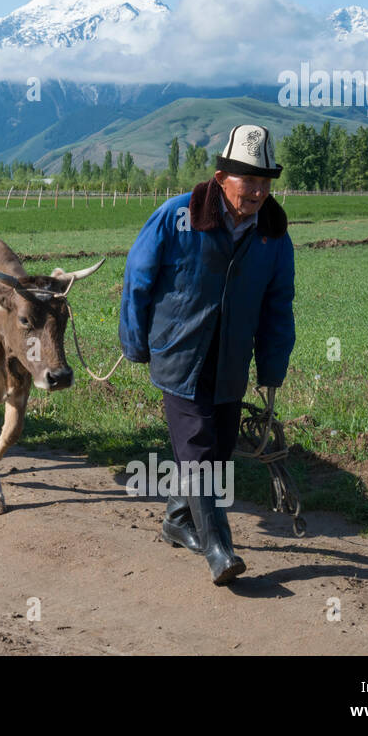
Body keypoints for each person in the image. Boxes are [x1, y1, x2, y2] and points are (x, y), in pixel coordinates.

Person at [119, 124, 295, 584]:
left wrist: (271, 367)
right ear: (221, 179)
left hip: (230, 360)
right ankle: (220, 549)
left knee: (216, 453)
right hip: (180, 354)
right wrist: (136, 342)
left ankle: (178, 520)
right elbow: (138, 278)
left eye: (264, 182)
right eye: (247, 181)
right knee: (197, 451)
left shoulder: (273, 234)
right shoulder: (177, 217)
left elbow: (278, 305)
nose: (257, 191)